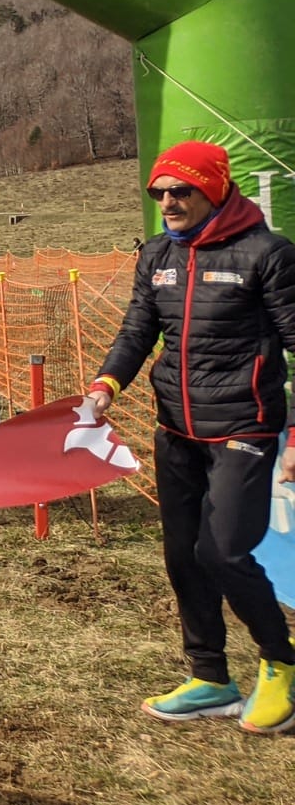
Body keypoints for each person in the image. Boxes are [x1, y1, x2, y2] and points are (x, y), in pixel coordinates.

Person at [85, 142, 295, 734]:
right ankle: (210, 677)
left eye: (182, 191)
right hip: (175, 429)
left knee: (222, 550)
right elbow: (136, 330)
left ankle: (282, 663)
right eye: (160, 192)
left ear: (216, 190)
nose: (168, 202)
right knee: (183, 555)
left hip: (243, 429)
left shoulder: (268, 254)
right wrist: (105, 386)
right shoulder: (157, 255)